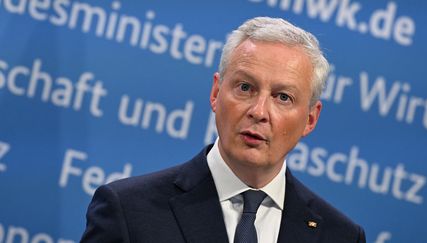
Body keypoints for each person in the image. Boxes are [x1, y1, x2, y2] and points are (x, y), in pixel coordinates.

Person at [81, 17, 366, 243]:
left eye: (283, 97)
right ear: (216, 92)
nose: (259, 111)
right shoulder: (129, 211)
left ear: (310, 120)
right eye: (245, 87)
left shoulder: (340, 235)